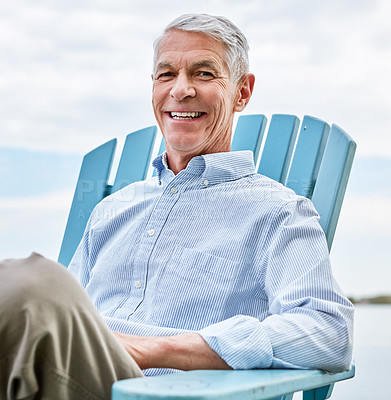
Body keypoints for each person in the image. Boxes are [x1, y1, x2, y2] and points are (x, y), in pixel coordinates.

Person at [0, 13, 353, 400]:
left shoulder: (278, 213)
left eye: (203, 73)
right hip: (70, 376)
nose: (180, 90)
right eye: (166, 74)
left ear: (242, 92)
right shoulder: (113, 210)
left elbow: (329, 331)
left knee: (32, 283)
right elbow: (62, 316)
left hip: (166, 390)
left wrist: (158, 350)